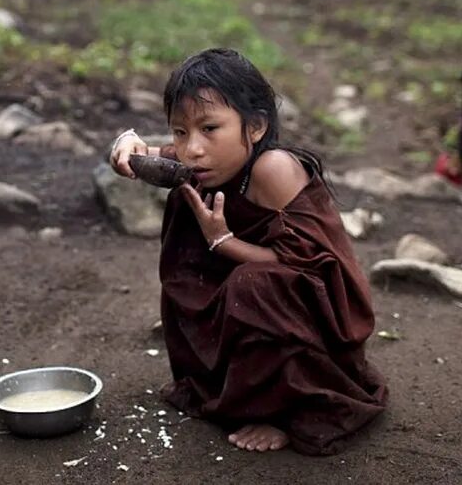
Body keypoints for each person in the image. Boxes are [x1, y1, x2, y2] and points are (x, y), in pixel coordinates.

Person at [109, 48, 387, 455]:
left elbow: (305, 269)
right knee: (185, 216)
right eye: (180, 132)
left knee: (252, 284)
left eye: (209, 128)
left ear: (255, 126)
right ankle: (236, 387)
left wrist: (224, 242)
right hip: (269, 303)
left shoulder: (272, 168)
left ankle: (287, 407)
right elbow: (141, 155)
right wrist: (125, 142)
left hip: (318, 314)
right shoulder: (207, 162)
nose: (192, 150)